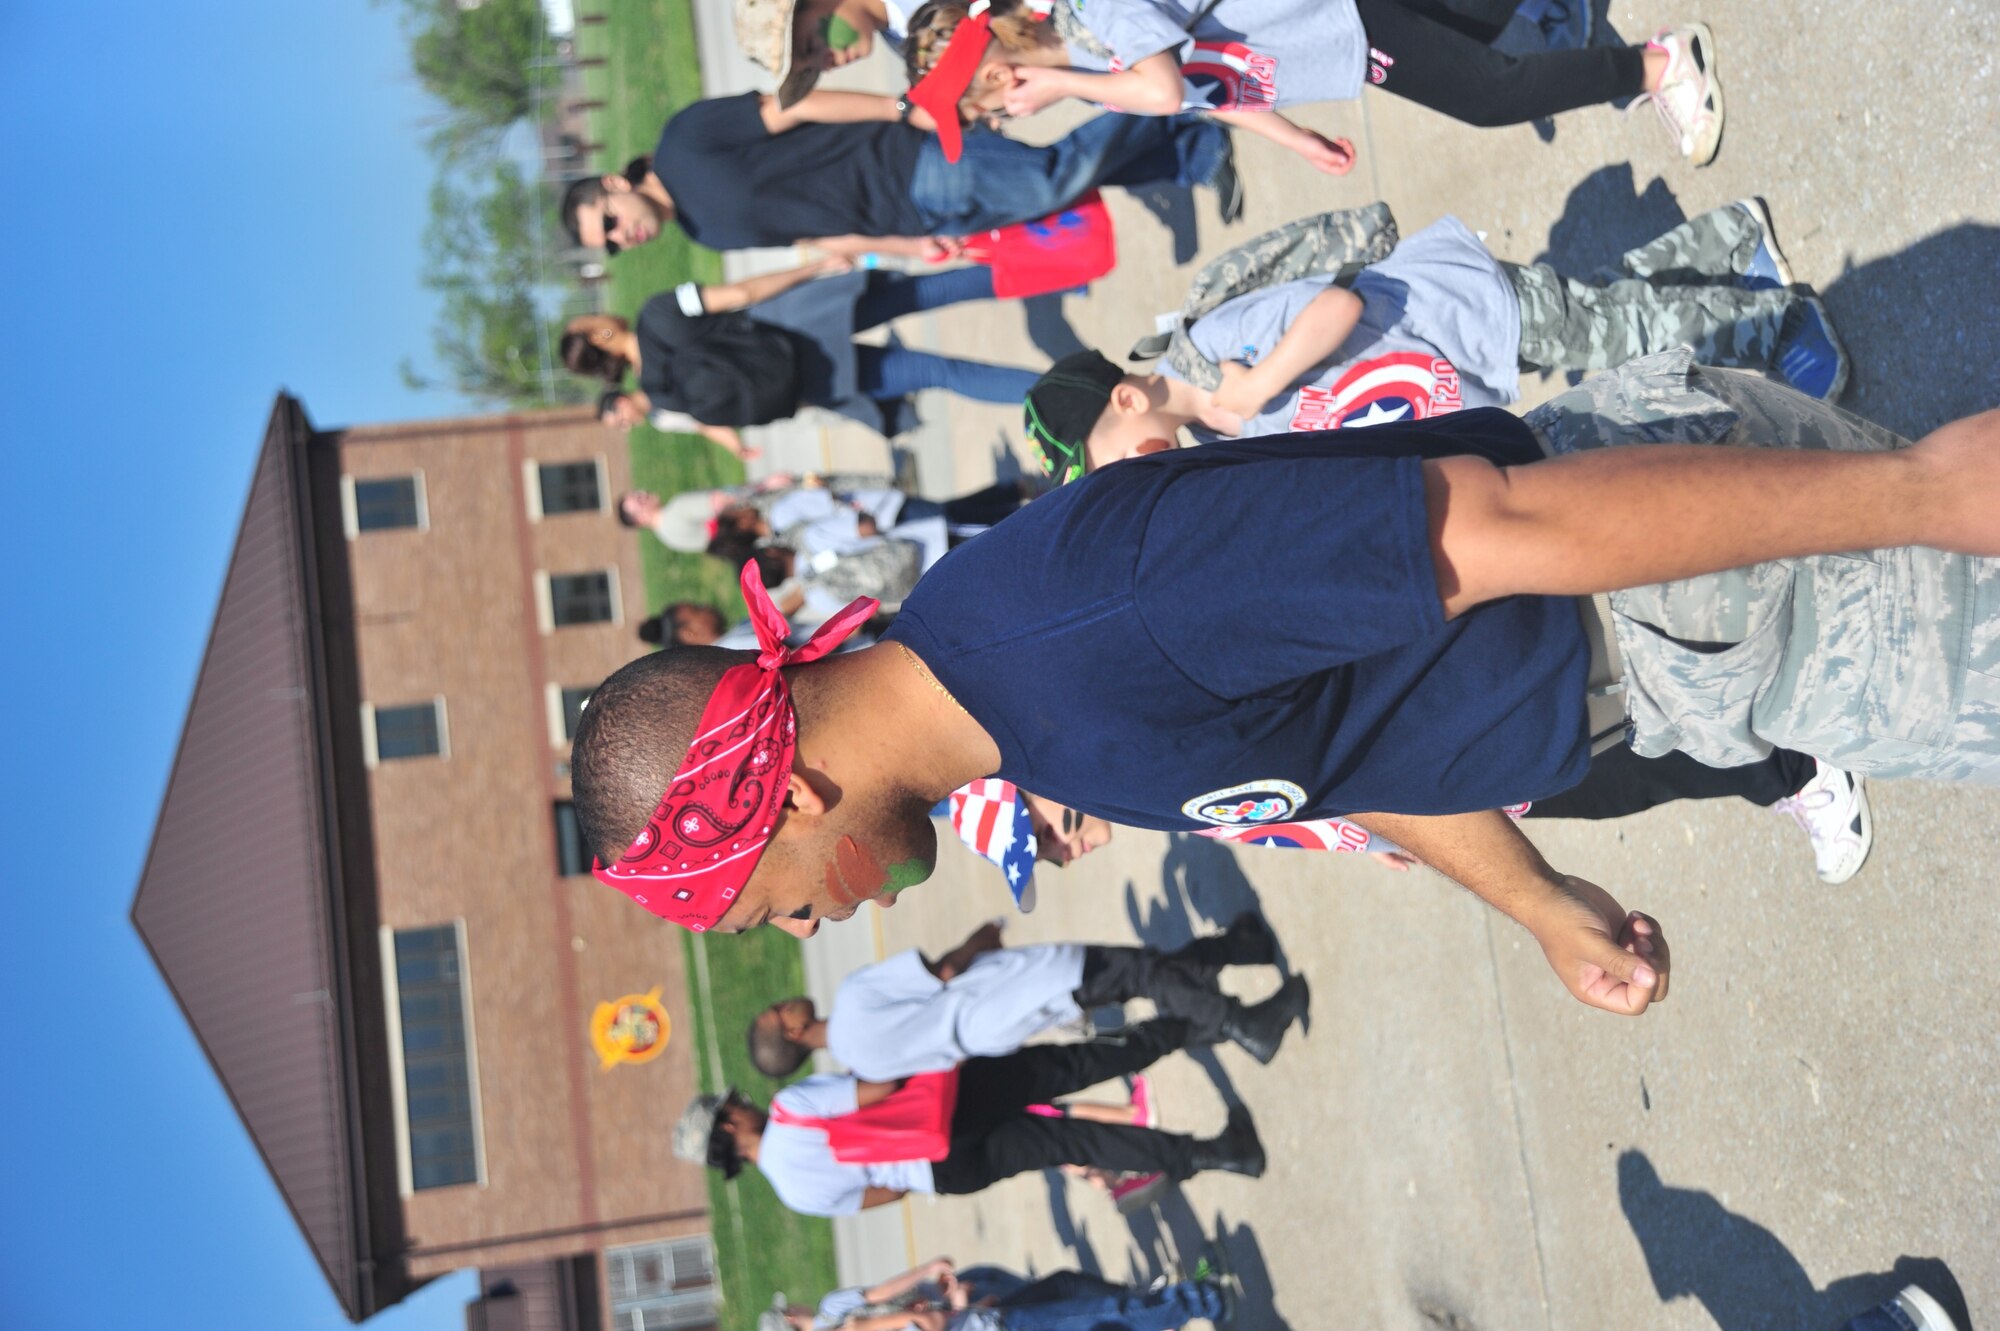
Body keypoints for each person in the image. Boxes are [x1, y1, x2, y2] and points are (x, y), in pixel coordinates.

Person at [566, 350, 2000, 1020]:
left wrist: (1920, 493)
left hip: (1715, 591)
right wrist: (1543, 904)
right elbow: (1348, 749)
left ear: (795, 795)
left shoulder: (1083, 620)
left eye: (781, 898)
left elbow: (1509, 526)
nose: (819, 917)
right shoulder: (1024, 728)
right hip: (1685, 653)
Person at [1026, 205, 1847, 482]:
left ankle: (1779, 324)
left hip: (1457, 307)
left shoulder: (1211, 349)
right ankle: (1730, 240)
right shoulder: (1206, 426)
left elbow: (1334, 310)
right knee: (1606, 304)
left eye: (1109, 458)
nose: (1125, 473)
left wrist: (1256, 383)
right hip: (1454, 354)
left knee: (1621, 327)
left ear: (1125, 396)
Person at [901, 0, 1723, 171]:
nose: (1004, 115)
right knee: (1470, 18)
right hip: (1319, 35)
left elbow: (1157, 90)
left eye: (985, 106)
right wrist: (1293, 136)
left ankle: (1658, 65)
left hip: (1334, 19)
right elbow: (1202, 90)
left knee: (1488, 94)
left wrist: (1058, 84)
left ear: (997, 67)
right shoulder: (1081, 50)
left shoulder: (1093, 18)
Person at [673, 1019, 1265, 1217]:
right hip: (951, 1107)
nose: (745, 1100)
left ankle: (1214, 1155)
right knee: (1065, 1067)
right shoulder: (789, 1109)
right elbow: (876, 1091)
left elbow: (884, 1196)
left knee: (1074, 1142)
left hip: (944, 1171)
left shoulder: (793, 1194)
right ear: (730, 1126)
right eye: (735, 1104)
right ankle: (1205, 1023)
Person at [747, 911, 1305, 1076]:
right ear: (792, 1032)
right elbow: (938, 973)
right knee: (1132, 972)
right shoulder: (850, 1000)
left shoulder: (860, 1063)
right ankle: (1243, 1024)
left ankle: (1237, 947)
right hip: (1001, 990)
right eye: (779, 1011)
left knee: (1131, 972)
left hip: (994, 1031)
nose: (787, 1001)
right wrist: (977, 939)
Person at [562, 258, 1040, 442]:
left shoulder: (660, 395)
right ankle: (1043, 268)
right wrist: (812, 268)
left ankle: (1058, 392)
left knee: (943, 374)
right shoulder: (656, 314)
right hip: (801, 321)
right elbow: (743, 294)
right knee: (922, 293)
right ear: (601, 337)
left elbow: (740, 404)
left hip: (812, 380)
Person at [768, 1257, 1231, 1331]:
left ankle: (1177, 1302)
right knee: (1103, 1311)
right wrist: (951, 1309)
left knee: (1084, 1306)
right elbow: (920, 1323)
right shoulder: (845, 1323)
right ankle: (1200, 1299)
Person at [597, 388, 754, 457]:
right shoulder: (661, 421)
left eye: (621, 421)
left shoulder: (653, 376)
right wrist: (735, 446)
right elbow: (703, 426)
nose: (626, 427)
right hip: (742, 404)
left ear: (621, 403)